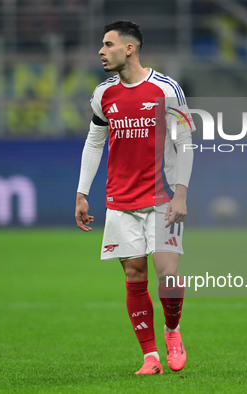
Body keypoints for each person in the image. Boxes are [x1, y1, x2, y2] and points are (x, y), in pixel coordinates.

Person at [75, 20, 194, 375]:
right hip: (121, 202)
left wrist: (181, 195)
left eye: (108, 44)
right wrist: (82, 193)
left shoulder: (166, 89)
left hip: (161, 198)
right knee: (134, 276)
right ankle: (150, 357)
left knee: (169, 276)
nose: (101, 51)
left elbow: (184, 141)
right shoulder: (103, 94)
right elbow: (95, 142)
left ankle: (172, 331)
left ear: (129, 49)